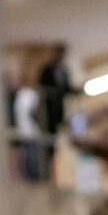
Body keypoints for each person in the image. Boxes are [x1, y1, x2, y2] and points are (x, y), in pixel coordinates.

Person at [37, 43, 79, 180]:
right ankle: (45, 172)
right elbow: (43, 88)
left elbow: (66, 90)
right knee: (47, 140)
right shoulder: (47, 69)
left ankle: (52, 173)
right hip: (47, 111)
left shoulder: (64, 71)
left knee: (56, 142)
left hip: (59, 111)